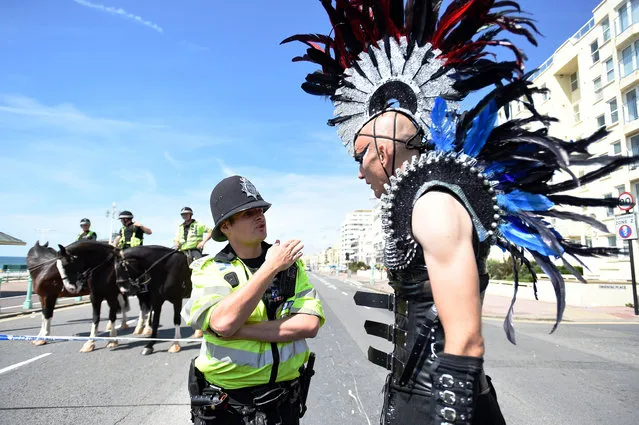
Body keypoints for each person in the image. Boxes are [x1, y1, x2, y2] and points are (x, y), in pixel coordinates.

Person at [284, 2, 632, 424]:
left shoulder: (433, 203)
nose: (358, 172)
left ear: (384, 148)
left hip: (440, 406)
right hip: (414, 397)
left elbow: (465, 342)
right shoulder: (422, 200)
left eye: (359, 157)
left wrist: (447, 416)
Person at [182, 175, 324, 425]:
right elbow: (224, 322)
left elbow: (308, 325)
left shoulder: (291, 266)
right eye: (248, 213)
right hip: (229, 407)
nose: (260, 216)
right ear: (225, 226)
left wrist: (240, 331)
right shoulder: (209, 269)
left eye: (260, 210)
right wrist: (270, 269)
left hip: (284, 402)